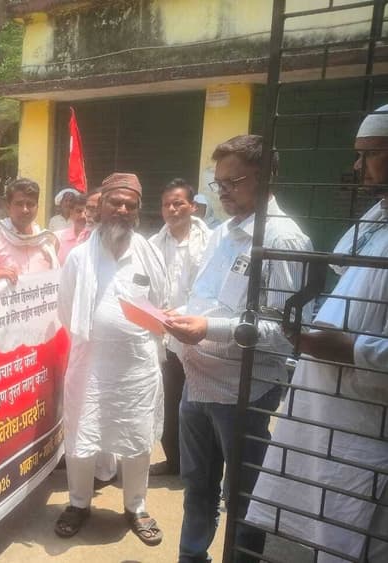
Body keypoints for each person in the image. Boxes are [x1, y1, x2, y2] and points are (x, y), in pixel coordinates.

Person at [246, 106, 388, 562]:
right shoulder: (376, 218)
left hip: (369, 423)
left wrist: (349, 348)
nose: (358, 167)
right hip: (328, 412)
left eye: (370, 154)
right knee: (329, 530)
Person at [164, 134, 312, 563]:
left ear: (266, 177)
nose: (223, 192)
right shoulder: (221, 233)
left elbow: (285, 331)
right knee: (197, 485)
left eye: (234, 182)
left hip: (244, 390)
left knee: (244, 495)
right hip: (198, 381)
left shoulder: (283, 240)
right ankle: (192, 556)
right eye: (219, 183)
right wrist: (180, 315)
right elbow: (207, 298)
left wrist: (209, 327)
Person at [55, 172, 168, 546]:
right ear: (100, 206)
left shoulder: (149, 253)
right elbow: (67, 310)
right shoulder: (78, 258)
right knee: (82, 436)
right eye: (115, 202)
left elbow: (161, 304)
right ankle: (78, 503)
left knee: (137, 439)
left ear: (137, 211)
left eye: (129, 205)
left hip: (137, 368)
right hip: (90, 366)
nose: (121, 209)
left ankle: (136, 507)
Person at [148, 179, 210, 476]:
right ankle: (174, 462)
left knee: (201, 405)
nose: (172, 209)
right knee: (170, 402)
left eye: (178, 203)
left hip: (201, 335)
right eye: (166, 205)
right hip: (166, 336)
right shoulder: (152, 245)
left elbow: (210, 292)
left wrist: (182, 313)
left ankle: (202, 469)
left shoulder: (211, 243)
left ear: (192, 206)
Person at [0, 178, 59, 276]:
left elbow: (56, 278)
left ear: (37, 207)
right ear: (8, 206)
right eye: (19, 204)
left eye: (30, 204)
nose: (25, 210)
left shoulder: (45, 242)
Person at [55, 193, 88, 264]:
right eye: (79, 211)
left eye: (86, 212)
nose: (83, 216)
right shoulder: (58, 238)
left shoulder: (94, 238)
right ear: (71, 213)